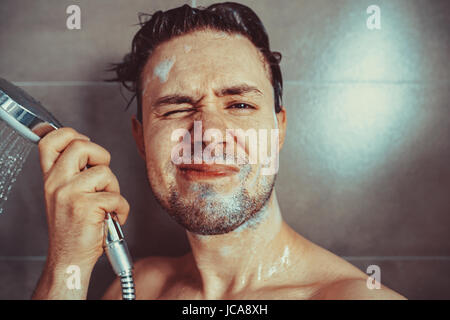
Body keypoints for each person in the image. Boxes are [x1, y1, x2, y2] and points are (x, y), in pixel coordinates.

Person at [32, 2, 405, 300]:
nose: (208, 135)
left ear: (279, 130)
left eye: (239, 105)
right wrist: (68, 267)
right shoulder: (137, 288)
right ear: (142, 140)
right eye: (177, 108)